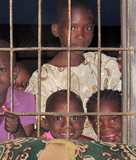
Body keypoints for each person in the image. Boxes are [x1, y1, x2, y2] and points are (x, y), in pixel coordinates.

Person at [25, 0, 121, 139]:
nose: (80, 35)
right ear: (56, 30)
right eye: (72, 28)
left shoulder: (102, 64)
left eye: (87, 28)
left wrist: (126, 69)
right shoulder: (44, 77)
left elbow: (124, 99)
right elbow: (43, 129)